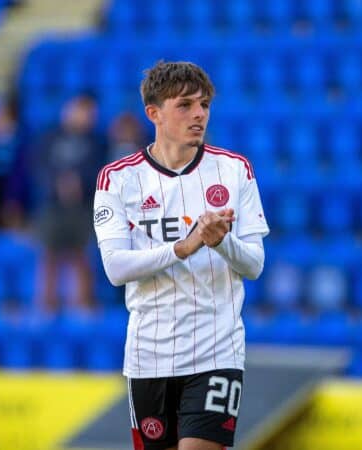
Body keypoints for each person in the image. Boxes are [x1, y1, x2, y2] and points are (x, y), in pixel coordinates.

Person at [93, 61, 269, 450]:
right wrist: (183, 246)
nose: (199, 114)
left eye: (204, 104)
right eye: (185, 105)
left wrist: (220, 240)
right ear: (153, 113)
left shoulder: (234, 170)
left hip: (216, 349)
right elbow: (115, 268)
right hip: (149, 355)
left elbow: (254, 264)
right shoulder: (118, 179)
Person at [31, 93, 105, 312]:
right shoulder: (50, 137)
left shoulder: (97, 142)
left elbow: (101, 170)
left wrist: (79, 182)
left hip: (83, 208)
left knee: (81, 258)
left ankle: (81, 308)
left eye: (88, 113)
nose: (84, 117)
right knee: (49, 259)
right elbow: (39, 167)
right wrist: (58, 183)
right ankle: (46, 308)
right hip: (53, 207)